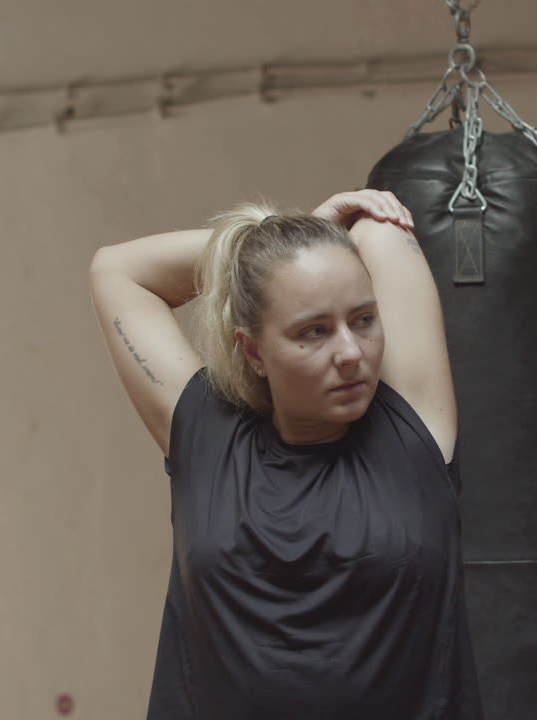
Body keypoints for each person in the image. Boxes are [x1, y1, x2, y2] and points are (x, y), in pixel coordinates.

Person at [89, 189, 484, 719]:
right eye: (313, 331)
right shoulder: (208, 434)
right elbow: (116, 271)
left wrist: (303, 240)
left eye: (363, 320)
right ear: (253, 350)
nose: (349, 353)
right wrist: (262, 249)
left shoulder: (412, 430)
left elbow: (379, 233)